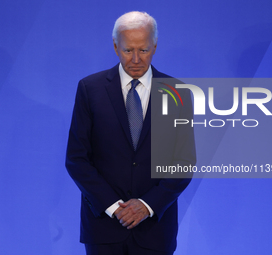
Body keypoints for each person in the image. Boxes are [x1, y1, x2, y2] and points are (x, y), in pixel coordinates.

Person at [66, 11, 196, 255]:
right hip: (104, 228)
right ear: (116, 47)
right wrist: (115, 207)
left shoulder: (177, 92)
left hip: (155, 230)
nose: (136, 59)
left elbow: (184, 162)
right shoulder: (89, 89)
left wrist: (147, 205)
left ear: (155, 47)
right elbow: (76, 159)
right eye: (128, 50)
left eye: (143, 50)